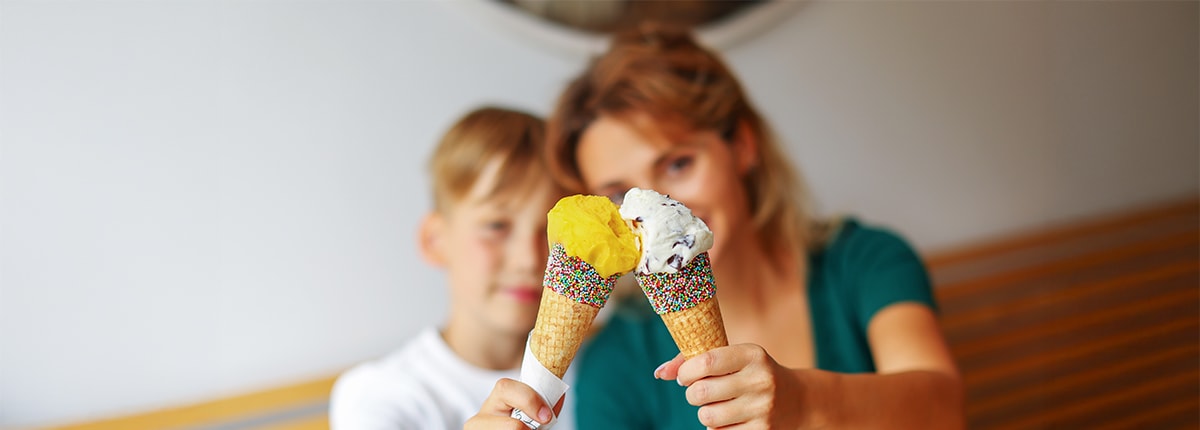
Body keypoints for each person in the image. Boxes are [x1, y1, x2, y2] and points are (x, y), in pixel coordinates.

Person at [542, 27, 965, 429]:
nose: (654, 214)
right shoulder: (615, 363)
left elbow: (945, 412)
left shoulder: (864, 262)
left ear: (742, 144)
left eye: (678, 164)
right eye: (620, 195)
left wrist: (804, 401)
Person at [330, 106, 572, 429]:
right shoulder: (380, 395)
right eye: (497, 225)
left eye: (550, 230)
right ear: (435, 240)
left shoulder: (606, 366)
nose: (529, 259)